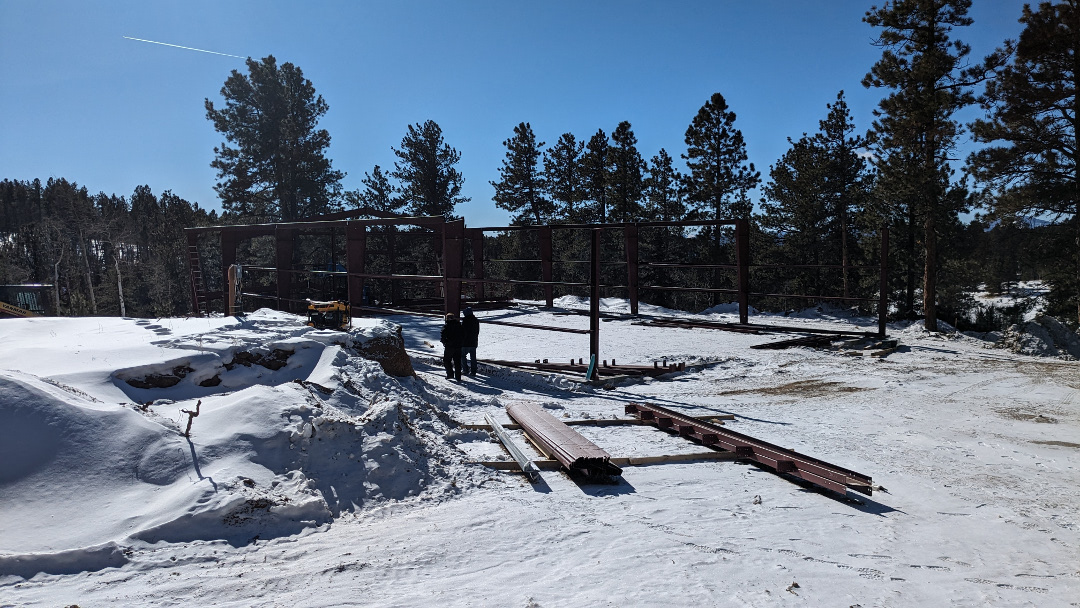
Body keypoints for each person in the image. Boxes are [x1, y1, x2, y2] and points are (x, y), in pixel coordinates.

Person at [440, 312, 463, 380]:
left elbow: (443, 336)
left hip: (449, 346)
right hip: (458, 346)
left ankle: (450, 374)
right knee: (457, 361)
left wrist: (445, 342)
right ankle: (458, 377)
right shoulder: (459, 325)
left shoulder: (446, 326)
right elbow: (463, 335)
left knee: (446, 360)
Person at [461, 307, 479, 376]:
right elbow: (477, 331)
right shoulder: (476, 320)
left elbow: (463, 332)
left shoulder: (465, 321)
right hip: (474, 341)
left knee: (462, 355)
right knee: (473, 357)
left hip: (465, 342)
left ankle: (465, 370)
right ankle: (473, 371)